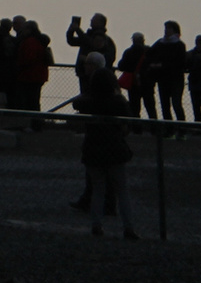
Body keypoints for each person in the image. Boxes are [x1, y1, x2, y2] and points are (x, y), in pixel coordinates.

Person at [74, 54, 140, 240]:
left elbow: (77, 103)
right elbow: (128, 124)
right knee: (122, 189)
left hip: (93, 147)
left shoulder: (89, 101)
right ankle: (128, 227)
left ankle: (96, 225)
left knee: (98, 188)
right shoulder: (119, 102)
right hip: (114, 147)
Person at [13, 17, 54, 129]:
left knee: (30, 102)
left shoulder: (29, 42)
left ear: (29, 30)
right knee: (35, 101)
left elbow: (28, 59)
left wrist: (19, 67)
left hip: (29, 76)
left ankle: (33, 125)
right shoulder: (40, 41)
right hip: (39, 75)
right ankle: (36, 124)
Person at [148, 21, 188, 124]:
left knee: (176, 104)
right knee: (165, 106)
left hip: (176, 79)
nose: (166, 31)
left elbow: (180, 62)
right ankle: (168, 130)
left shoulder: (179, 45)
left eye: (169, 28)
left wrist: (162, 65)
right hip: (163, 79)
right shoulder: (160, 43)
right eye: (165, 28)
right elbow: (149, 54)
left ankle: (181, 128)